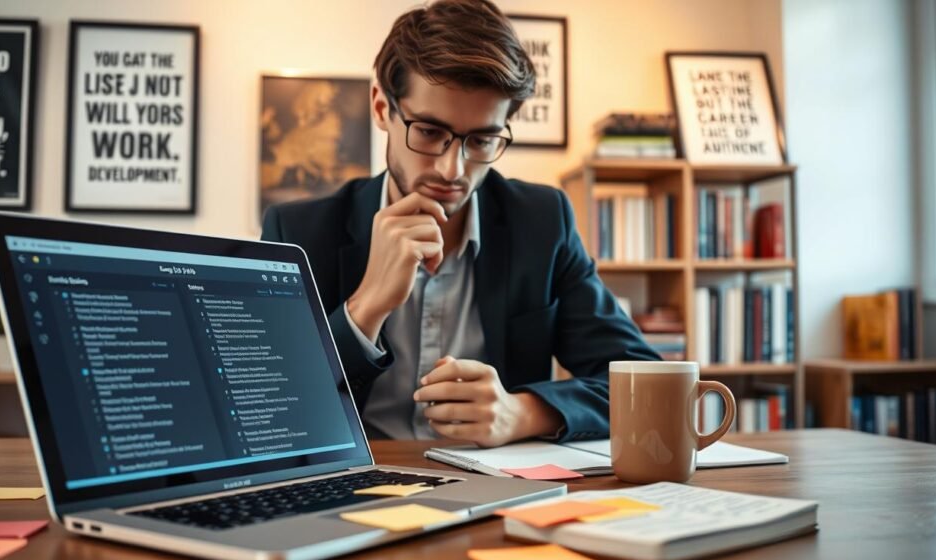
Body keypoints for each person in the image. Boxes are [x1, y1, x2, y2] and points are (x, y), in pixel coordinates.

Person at [262, 0, 660, 447]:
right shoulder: (298, 232)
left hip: (500, 490)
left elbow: (646, 384)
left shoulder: (542, 222)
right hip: (355, 485)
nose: (453, 169)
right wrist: (366, 305)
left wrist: (523, 412)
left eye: (482, 140)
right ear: (380, 108)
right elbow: (270, 407)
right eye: (430, 132)